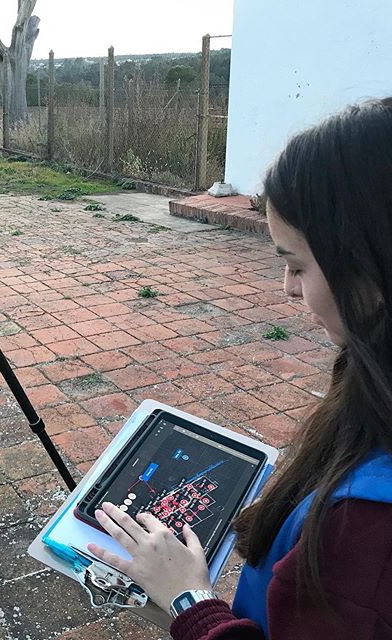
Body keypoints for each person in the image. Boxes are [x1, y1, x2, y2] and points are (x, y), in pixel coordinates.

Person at [87, 98, 392, 639]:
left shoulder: (365, 530)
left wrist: (190, 601)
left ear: (369, 269)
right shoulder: (373, 382)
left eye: (297, 264)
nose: (289, 288)